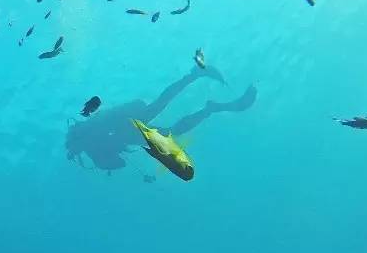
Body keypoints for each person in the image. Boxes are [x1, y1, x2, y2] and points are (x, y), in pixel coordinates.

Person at [65, 60, 257, 173]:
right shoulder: (90, 142)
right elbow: (118, 162)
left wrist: (105, 157)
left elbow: (118, 163)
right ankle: (205, 97)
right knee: (166, 115)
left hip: (129, 124)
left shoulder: (89, 143)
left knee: (166, 114)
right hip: (132, 129)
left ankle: (203, 95)